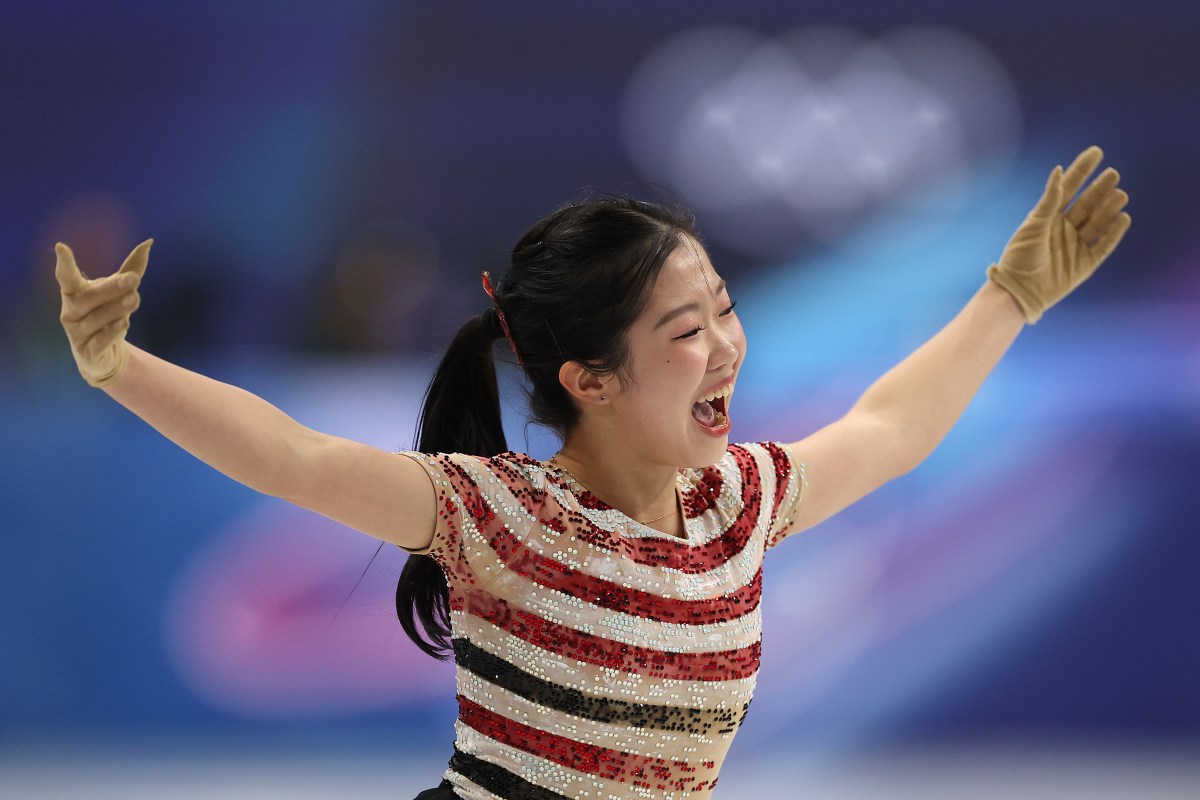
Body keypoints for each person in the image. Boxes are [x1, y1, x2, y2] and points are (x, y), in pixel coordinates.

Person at [54, 146, 1130, 800]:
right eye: (684, 330)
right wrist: (118, 366)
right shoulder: (497, 515)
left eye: (725, 310)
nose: (726, 346)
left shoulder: (739, 502)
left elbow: (890, 426)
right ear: (591, 378)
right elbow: (290, 454)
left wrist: (1011, 296)